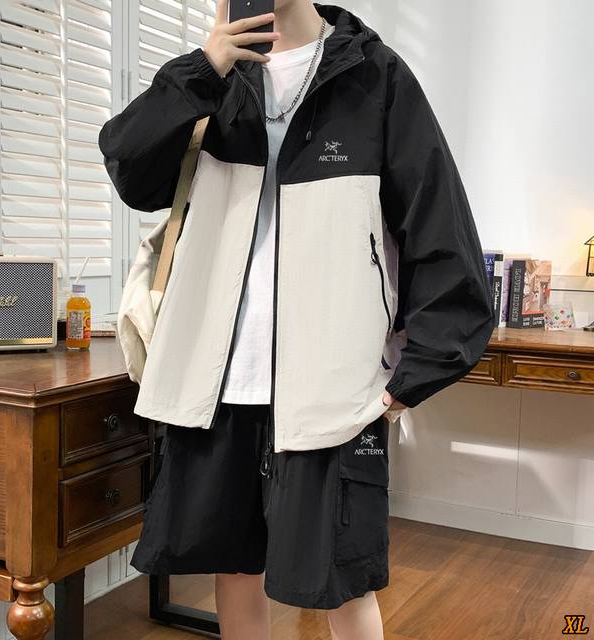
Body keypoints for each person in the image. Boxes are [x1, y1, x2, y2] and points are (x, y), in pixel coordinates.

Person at [98, 0, 495, 637]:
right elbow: (130, 170)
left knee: (341, 581)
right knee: (233, 568)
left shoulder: (374, 75)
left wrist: (412, 376)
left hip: (332, 388)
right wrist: (202, 69)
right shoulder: (212, 77)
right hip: (215, 385)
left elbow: (438, 225)